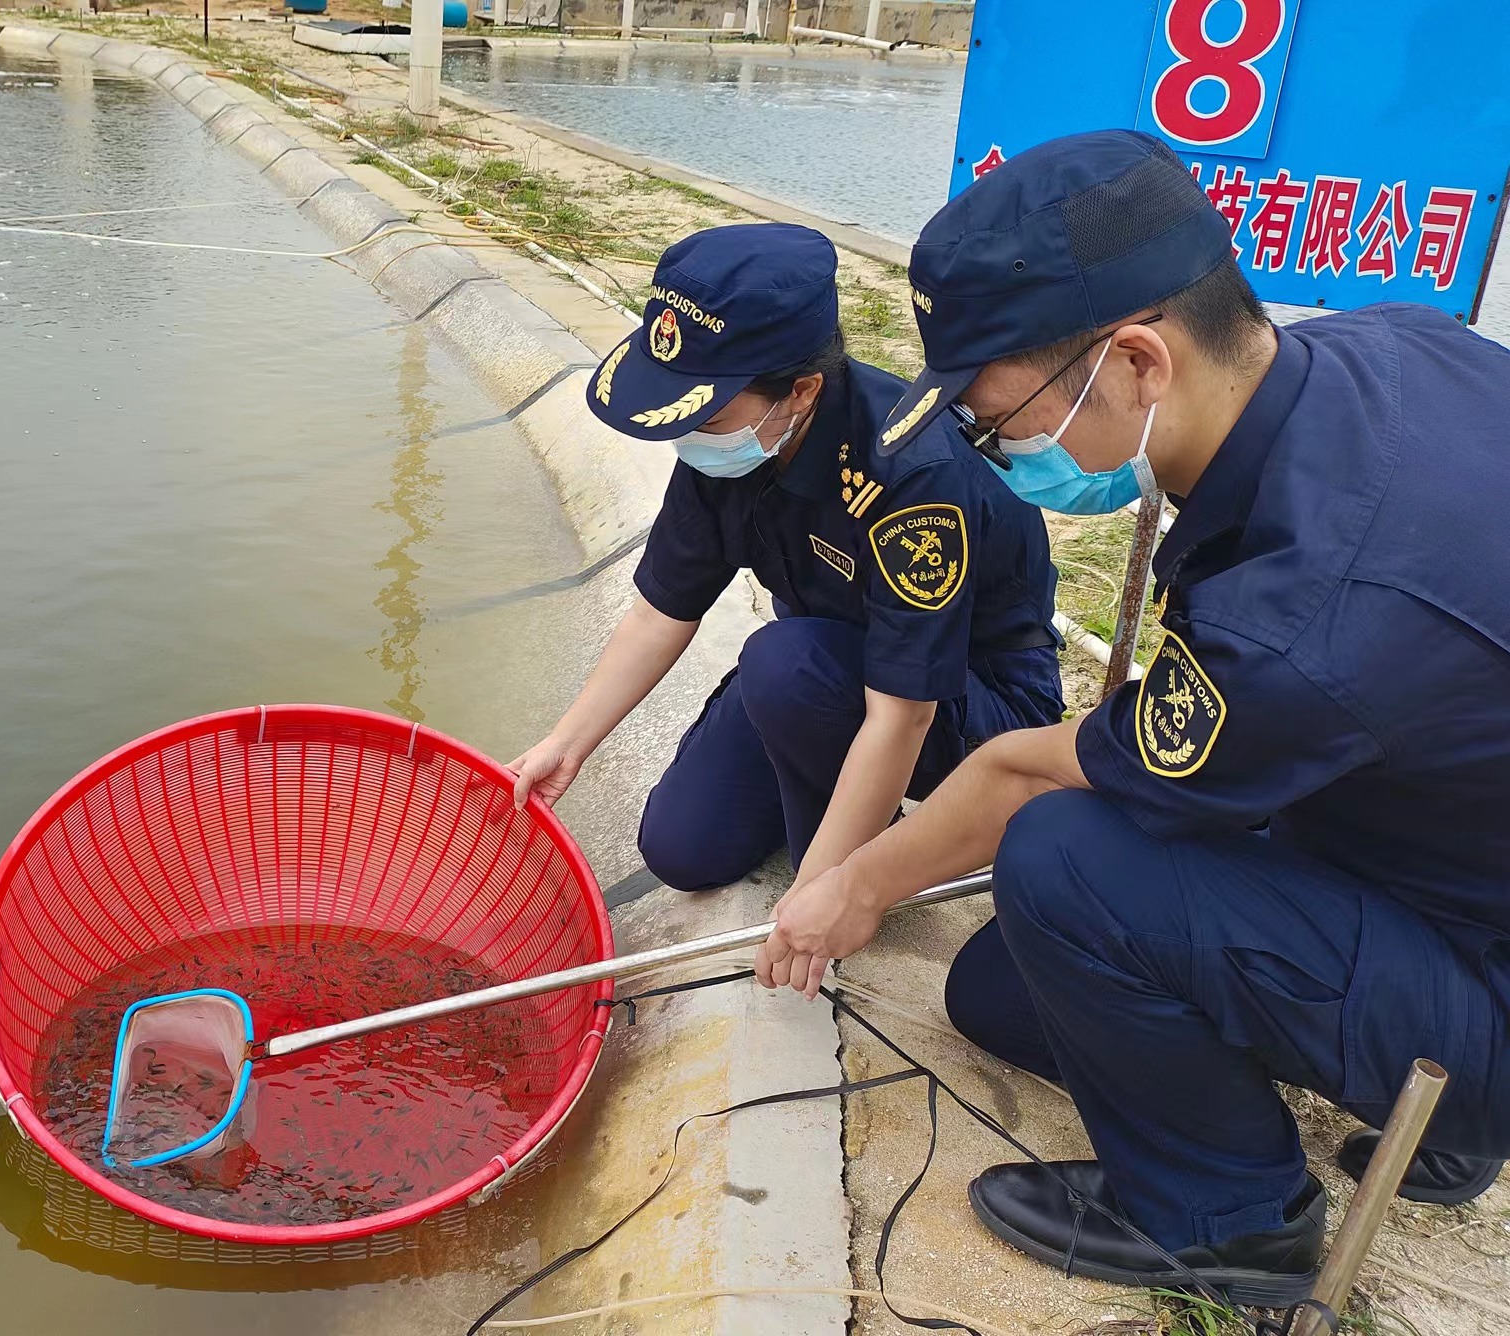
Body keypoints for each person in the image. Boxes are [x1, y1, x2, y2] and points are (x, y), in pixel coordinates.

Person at [756, 129, 1510, 1303]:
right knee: (1008, 990)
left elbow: (1022, 776)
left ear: (1139, 362)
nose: (990, 452)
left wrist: (850, 885)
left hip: (1478, 958)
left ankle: (1232, 1227)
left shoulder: (1300, 622)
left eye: (993, 422)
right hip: (1446, 833)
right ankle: (1444, 1120)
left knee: (1064, 857)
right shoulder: (1389, 348)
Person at [508, 223, 1064, 900]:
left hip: (963, 701)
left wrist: (829, 889)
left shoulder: (912, 474)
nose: (690, 435)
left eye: (706, 418)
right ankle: (823, 774)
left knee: (784, 665)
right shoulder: (732, 443)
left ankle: (869, 836)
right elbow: (662, 611)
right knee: (679, 850)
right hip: (822, 676)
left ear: (801, 391)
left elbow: (904, 713)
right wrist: (566, 745)